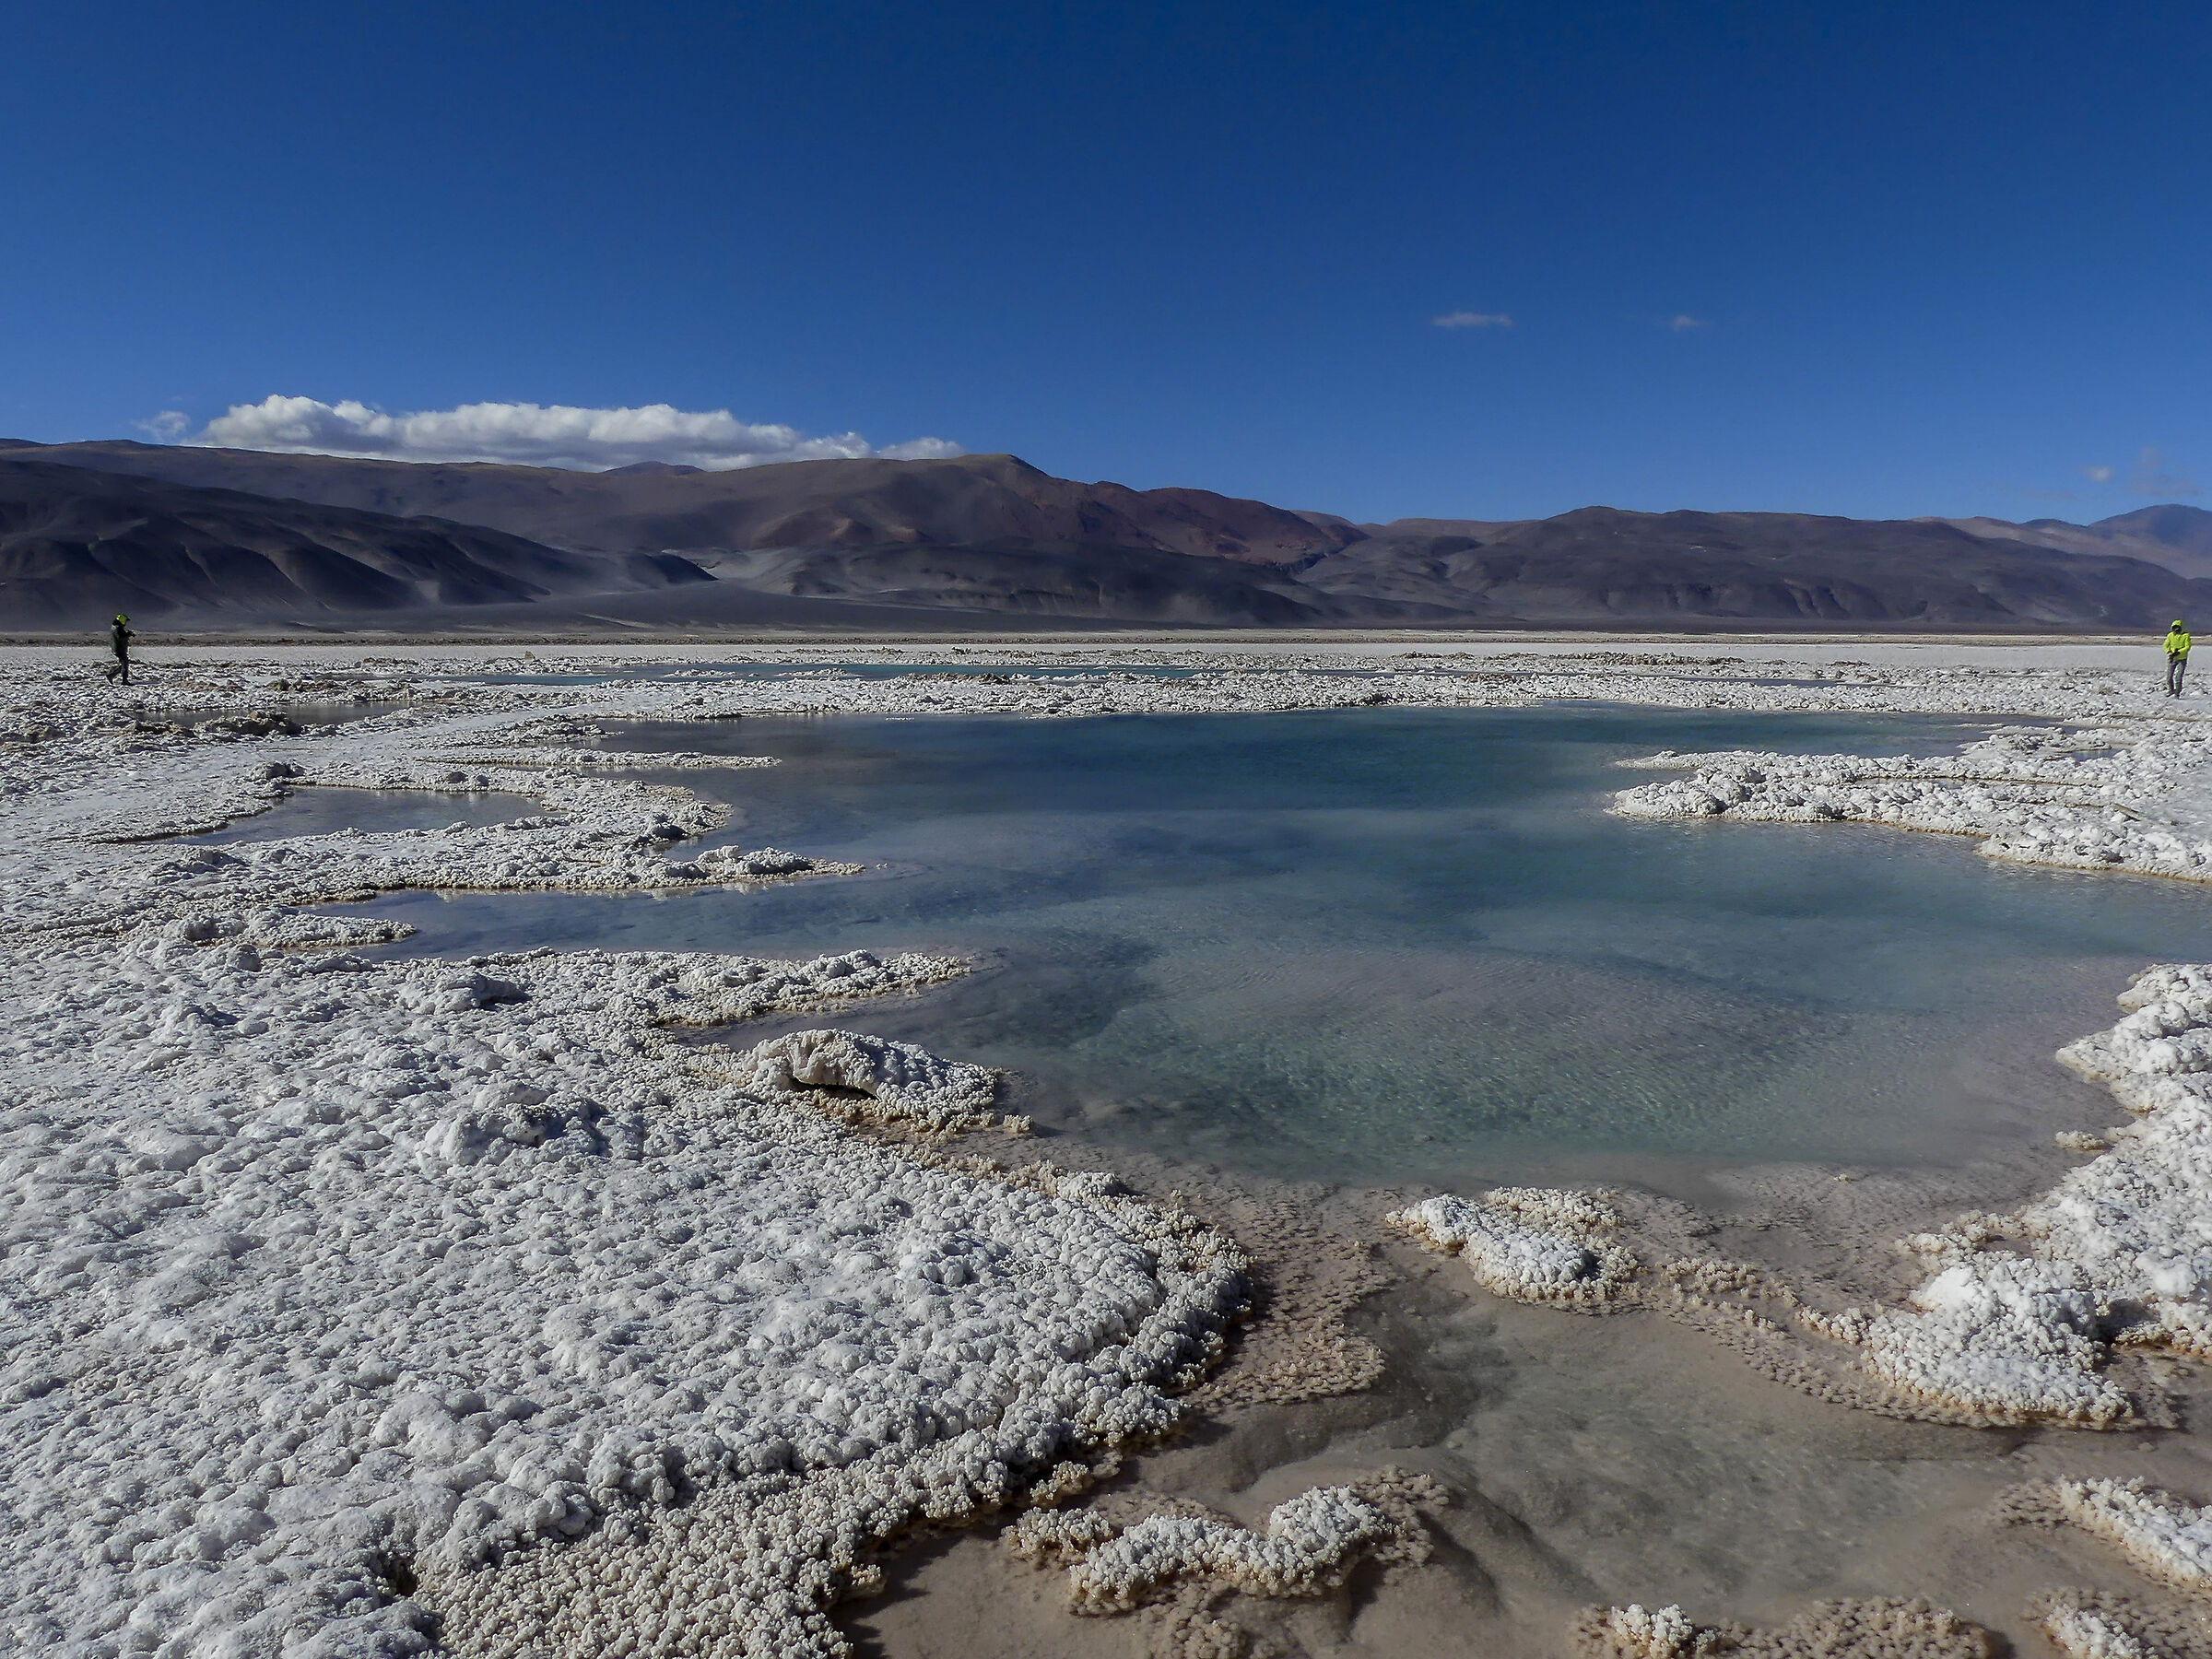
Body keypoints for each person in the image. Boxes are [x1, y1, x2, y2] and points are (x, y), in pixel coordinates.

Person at [101, 614, 134, 686]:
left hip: (118, 648)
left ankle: (111, 675)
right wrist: (128, 634)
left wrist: (128, 634)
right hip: (119, 649)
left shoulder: (116, 627)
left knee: (123, 664)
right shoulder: (118, 628)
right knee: (125, 663)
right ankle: (123, 680)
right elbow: (120, 637)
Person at [2168, 619, 2193, 698]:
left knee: (2178, 677)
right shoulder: (2170, 635)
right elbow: (2165, 645)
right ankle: (2171, 690)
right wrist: (2169, 651)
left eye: (2178, 627)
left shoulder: (2186, 636)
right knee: (2169, 677)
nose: (2176, 629)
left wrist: (2178, 652)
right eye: (2175, 627)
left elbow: (2187, 647)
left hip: (2182, 659)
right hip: (2172, 658)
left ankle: (2177, 693)